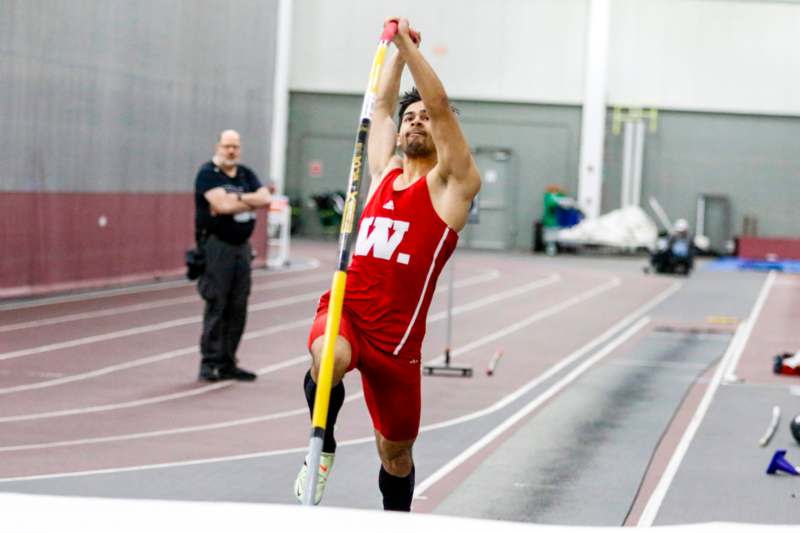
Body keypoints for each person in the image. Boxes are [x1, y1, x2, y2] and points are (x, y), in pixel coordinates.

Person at [294, 18, 481, 511]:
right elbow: (380, 105)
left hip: (397, 342)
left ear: (444, 137)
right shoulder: (380, 175)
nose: (417, 120)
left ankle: (396, 519)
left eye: (424, 118)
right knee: (327, 356)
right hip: (349, 308)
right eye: (410, 117)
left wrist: (406, 47)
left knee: (395, 454)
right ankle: (323, 442)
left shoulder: (451, 187)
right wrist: (398, 53)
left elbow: (440, 106)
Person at [194, 129, 272, 382]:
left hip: (241, 248)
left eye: (235, 147)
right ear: (218, 146)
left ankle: (228, 362)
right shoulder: (208, 174)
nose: (231, 151)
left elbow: (266, 197)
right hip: (218, 246)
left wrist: (236, 198)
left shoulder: (245, 173)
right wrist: (248, 200)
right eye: (227, 146)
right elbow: (222, 205)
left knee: (239, 306)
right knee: (217, 303)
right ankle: (209, 362)